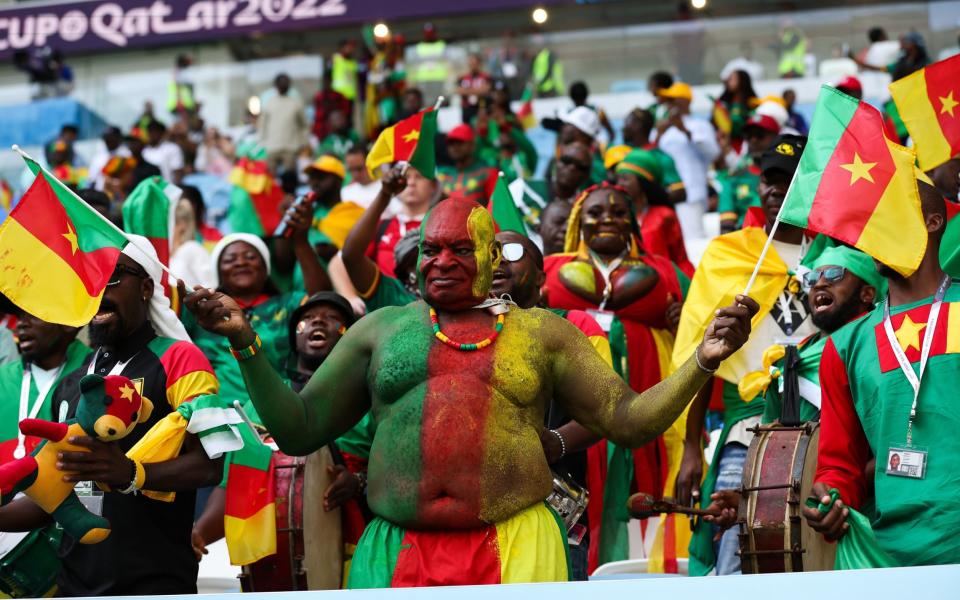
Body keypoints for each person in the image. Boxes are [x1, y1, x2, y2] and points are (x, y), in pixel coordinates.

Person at [182, 194, 758, 588]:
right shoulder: (381, 330)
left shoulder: (543, 333)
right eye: (432, 249)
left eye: (461, 249)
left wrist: (703, 361)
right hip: (393, 550)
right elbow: (297, 429)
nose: (443, 261)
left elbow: (630, 421)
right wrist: (243, 342)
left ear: (490, 257)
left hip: (518, 546)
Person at [0, 239, 222, 595]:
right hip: (73, 585)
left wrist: (133, 474)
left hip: (154, 583)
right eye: (92, 279)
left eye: (114, 277)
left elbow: (209, 466)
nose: (99, 290)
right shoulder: (74, 380)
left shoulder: (181, 359)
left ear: (147, 287)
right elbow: (54, 495)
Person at [676, 135, 815, 576]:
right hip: (745, 428)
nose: (776, 190)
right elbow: (703, 356)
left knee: (815, 542)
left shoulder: (839, 258)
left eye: (789, 181)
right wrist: (691, 448)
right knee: (736, 545)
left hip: (823, 423)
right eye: (770, 180)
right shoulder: (729, 255)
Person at [804, 181, 960, 566]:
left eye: (886, 217)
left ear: (933, 222)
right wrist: (831, 499)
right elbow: (840, 465)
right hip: (883, 556)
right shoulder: (844, 346)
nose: (872, 231)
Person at [542, 182, 692, 572]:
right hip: (574, 409)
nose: (607, 217)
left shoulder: (664, 270)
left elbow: (699, 340)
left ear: (633, 222)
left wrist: (679, 325)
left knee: (644, 478)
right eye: (595, 212)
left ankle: (647, 571)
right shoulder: (550, 268)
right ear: (579, 221)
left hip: (648, 388)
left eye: (619, 211)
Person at [700, 244, 884, 530]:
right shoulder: (790, 359)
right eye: (811, 279)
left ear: (867, 293)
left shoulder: (880, 349)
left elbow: (891, 447)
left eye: (835, 275)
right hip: (805, 515)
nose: (820, 283)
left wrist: (835, 488)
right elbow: (774, 455)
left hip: (862, 516)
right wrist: (748, 499)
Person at [192, 291, 373, 577]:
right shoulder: (260, 405)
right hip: (277, 560)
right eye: (307, 319)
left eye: (332, 319)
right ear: (294, 339)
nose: (318, 323)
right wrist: (200, 533)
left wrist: (359, 481)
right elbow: (236, 482)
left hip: (360, 547)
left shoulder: (370, 399)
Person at [182, 221, 329, 415]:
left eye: (250, 257)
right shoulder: (203, 311)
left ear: (265, 268)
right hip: (220, 416)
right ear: (219, 273)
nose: (241, 262)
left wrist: (300, 241)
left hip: (279, 412)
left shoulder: (289, 304)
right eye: (230, 259)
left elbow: (323, 304)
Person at [0, 312, 90, 463]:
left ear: (67, 325)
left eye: (34, 314)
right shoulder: (3, 377)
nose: (21, 324)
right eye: (21, 316)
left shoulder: (96, 371)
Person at [336, 167, 426, 313]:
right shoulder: (390, 293)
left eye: (419, 177)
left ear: (434, 185)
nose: (411, 183)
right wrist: (350, 297)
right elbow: (346, 257)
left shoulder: (443, 226)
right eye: (406, 177)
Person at [653, 82, 720, 239]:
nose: (668, 104)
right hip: (665, 194)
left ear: (685, 101)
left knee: (692, 240)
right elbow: (653, 154)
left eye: (672, 99)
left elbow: (713, 153)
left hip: (690, 194)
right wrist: (659, 133)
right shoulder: (662, 128)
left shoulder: (700, 125)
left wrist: (685, 131)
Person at [614, 150, 694, 276]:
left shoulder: (664, 215)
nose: (619, 185)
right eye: (618, 179)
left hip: (663, 283)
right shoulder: (615, 217)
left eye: (625, 179)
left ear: (642, 182)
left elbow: (680, 259)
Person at [717, 110, 781, 233]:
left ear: (777, 138)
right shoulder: (734, 179)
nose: (753, 140)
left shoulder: (791, 177)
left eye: (760, 135)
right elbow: (726, 228)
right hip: (747, 241)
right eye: (748, 136)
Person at [621, 108, 686, 205]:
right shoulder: (623, 154)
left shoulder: (660, 157)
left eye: (627, 122)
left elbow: (680, 192)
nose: (623, 128)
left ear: (638, 126)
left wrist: (649, 205)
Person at [259, 74, 308, 175]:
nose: (283, 85)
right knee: (269, 180)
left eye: (286, 82)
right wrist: (263, 142)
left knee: (289, 179)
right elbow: (262, 125)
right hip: (271, 147)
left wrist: (302, 142)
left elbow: (304, 125)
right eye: (281, 82)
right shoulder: (269, 103)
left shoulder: (295, 104)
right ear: (276, 85)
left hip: (290, 148)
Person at [437, 124, 497, 206]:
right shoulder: (442, 175)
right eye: (451, 143)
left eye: (460, 142)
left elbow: (496, 208)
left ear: (472, 145)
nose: (455, 147)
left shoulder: (488, 174)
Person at [714, 69, 759, 150]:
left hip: (745, 146)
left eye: (732, 78)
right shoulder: (723, 104)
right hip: (725, 146)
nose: (728, 81)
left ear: (742, 81)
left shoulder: (753, 104)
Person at [313, 69, 352, 141]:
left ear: (331, 81)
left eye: (328, 81)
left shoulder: (338, 96)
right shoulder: (319, 97)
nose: (326, 83)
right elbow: (317, 116)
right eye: (325, 81)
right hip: (322, 132)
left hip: (336, 131)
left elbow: (345, 113)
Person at [89, 127, 132, 192]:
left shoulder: (126, 154)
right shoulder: (99, 156)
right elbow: (92, 179)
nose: (107, 140)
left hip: (119, 195)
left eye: (110, 137)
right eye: (106, 137)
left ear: (118, 138)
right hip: (99, 195)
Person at [142, 120, 185, 185]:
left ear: (162, 133)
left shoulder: (172, 148)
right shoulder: (143, 151)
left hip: (167, 189)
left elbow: (178, 172)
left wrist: (176, 190)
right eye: (150, 131)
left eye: (155, 131)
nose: (152, 134)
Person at [457, 53, 493, 125]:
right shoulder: (462, 77)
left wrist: (468, 91)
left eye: (474, 63)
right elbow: (460, 91)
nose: (472, 66)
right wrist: (478, 91)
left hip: (481, 108)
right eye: (471, 63)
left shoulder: (486, 76)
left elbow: (486, 90)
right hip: (467, 108)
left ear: (479, 64)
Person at [331, 39, 359, 109]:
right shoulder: (337, 58)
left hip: (350, 95)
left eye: (352, 48)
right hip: (338, 94)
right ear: (342, 47)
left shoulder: (353, 63)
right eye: (348, 47)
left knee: (348, 117)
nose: (350, 49)